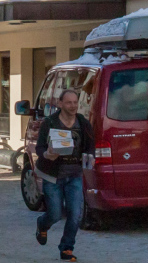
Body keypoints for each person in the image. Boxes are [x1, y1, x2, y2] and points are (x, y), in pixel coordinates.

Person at [34, 88, 93, 262]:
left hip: (74, 175)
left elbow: (90, 146)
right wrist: (46, 154)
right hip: (53, 176)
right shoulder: (50, 123)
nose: (73, 106)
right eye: (69, 102)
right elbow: (39, 147)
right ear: (60, 104)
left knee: (75, 214)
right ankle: (42, 224)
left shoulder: (83, 123)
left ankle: (67, 248)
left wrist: (91, 158)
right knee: (55, 214)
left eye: (75, 102)